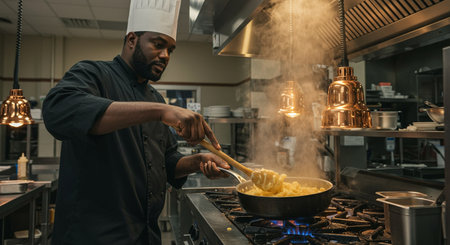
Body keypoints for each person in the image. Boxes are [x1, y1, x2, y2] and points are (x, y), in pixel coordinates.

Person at [42, 0, 230, 244]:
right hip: (92, 237)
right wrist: (161, 112)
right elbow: (58, 110)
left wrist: (197, 161)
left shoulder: (154, 98)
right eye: (158, 44)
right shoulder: (94, 74)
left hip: (144, 236)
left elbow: (167, 163)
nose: (165, 55)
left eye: (170, 50)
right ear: (132, 40)